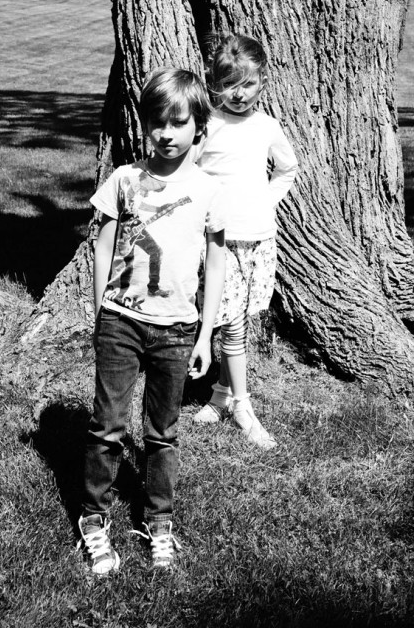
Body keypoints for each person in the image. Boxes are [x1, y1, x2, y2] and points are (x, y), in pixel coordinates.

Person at [79, 68, 226, 574]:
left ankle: (159, 522)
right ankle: (94, 519)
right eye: (156, 122)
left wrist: (207, 334)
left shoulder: (208, 189)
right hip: (120, 323)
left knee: (163, 433)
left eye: (177, 122)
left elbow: (217, 261)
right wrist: (102, 309)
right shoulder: (124, 179)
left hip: (178, 329)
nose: (165, 132)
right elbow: (101, 246)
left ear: (198, 127)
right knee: (108, 427)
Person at [193, 33, 298, 450]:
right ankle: (243, 406)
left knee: (240, 317)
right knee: (230, 321)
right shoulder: (208, 125)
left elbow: (286, 169)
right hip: (219, 241)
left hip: (257, 237)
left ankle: (221, 396)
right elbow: (191, 172)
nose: (238, 94)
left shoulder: (267, 126)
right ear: (213, 82)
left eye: (248, 84)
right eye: (229, 84)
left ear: (263, 83)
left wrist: (264, 201)